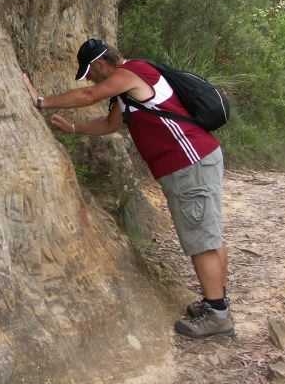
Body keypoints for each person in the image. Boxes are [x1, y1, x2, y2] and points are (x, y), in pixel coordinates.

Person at [23, 38, 234, 339]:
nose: (91, 77)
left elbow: (89, 95)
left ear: (100, 64)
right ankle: (217, 303)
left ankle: (218, 317)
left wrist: (41, 102)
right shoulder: (127, 90)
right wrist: (73, 129)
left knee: (202, 238)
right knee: (208, 233)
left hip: (190, 163)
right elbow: (110, 124)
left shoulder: (131, 72)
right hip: (193, 161)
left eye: (90, 71)